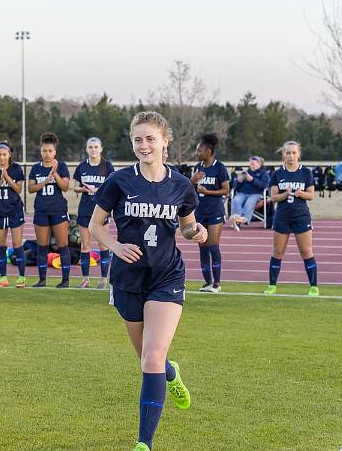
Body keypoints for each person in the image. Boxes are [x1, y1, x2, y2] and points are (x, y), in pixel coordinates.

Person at [89, 111, 207, 451]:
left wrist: (195, 231)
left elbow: (186, 225)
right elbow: (96, 225)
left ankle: (144, 443)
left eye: (150, 139)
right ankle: (171, 373)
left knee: (151, 357)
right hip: (127, 280)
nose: (144, 145)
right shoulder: (119, 181)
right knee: (148, 358)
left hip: (166, 276)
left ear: (164, 141)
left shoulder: (180, 185)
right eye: (138, 139)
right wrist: (115, 246)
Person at [263, 141, 318, 296]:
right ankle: (272, 285)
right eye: (288, 153)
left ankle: (314, 286)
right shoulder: (277, 174)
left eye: (294, 152)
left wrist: (300, 193)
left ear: (298, 154)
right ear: (283, 155)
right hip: (282, 217)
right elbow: (273, 197)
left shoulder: (306, 173)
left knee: (306, 251)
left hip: (301, 216)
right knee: (278, 252)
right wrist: (286, 194)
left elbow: (311, 195)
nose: (291, 156)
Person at [28, 132, 71, 288]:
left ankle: (65, 280)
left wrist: (55, 174)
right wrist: (46, 180)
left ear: (55, 152)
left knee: (62, 245)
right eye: (44, 151)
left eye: (50, 151)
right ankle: (42, 279)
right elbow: (31, 189)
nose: (47, 154)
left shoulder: (62, 166)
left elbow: (65, 187)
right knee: (42, 246)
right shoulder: (35, 168)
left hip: (58, 210)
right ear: (41, 151)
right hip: (41, 211)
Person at [0, 141, 27, 288]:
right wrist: (0, 182)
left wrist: (8, 179)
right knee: (1, 245)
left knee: (17, 245)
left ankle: (21, 278)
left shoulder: (16, 169)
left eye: (5, 154)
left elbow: (19, 189)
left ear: (9, 155)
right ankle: (3, 278)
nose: (2, 157)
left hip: (14, 210)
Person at [73, 137, 115, 289]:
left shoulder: (107, 166)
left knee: (103, 245)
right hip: (85, 209)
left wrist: (98, 190)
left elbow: (112, 187)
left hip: (101, 211)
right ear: (86, 149)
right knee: (85, 245)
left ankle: (104, 279)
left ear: (101, 149)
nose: (93, 150)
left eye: (96, 147)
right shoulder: (82, 166)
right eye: (90, 147)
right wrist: (84, 189)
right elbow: (75, 187)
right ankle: (85, 279)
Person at [190, 134, 230, 293]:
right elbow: (190, 189)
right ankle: (207, 282)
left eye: (199, 150)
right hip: (200, 212)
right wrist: (193, 180)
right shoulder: (197, 167)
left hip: (215, 212)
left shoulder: (220, 168)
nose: (197, 152)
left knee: (213, 246)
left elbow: (226, 190)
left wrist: (208, 191)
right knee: (203, 248)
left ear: (209, 151)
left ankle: (217, 284)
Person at [229, 155, 270, 230]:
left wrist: (252, 180)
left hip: (256, 193)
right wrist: (238, 181)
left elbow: (264, 186)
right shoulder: (246, 172)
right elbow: (235, 187)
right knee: (236, 200)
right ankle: (235, 221)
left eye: (253, 164)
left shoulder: (264, 173)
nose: (251, 166)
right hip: (242, 193)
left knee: (250, 202)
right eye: (250, 164)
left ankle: (243, 220)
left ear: (259, 164)